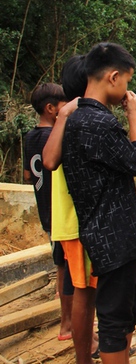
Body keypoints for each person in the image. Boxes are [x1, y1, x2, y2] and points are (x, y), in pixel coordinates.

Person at [61, 43, 136, 364]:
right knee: (114, 318)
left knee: (134, 302)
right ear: (113, 77)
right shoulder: (98, 124)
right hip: (113, 238)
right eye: (126, 81)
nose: (127, 89)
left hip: (105, 234)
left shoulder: (77, 119)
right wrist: (133, 115)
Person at [42, 55, 99, 364]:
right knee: (84, 293)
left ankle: (87, 348)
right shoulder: (76, 115)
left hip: (71, 221)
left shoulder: (71, 115)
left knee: (83, 290)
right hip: (78, 222)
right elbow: (50, 161)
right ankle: (84, 356)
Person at [22, 83, 73, 343]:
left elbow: (28, 175)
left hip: (45, 211)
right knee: (66, 264)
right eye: (64, 104)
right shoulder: (56, 139)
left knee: (59, 257)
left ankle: (58, 293)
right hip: (60, 213)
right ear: (52, 109)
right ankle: (67, 324)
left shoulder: (30, 137)